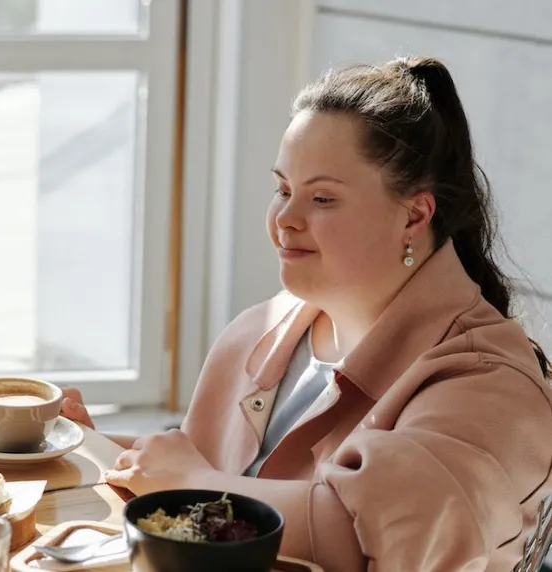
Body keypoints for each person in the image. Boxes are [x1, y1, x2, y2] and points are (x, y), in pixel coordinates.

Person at [62, 57, 552, 571]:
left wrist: (192, 484)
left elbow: (367, 537)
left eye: (321, 198)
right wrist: (91, 446)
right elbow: (207, 471)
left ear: (414, 215)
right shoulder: (260, 331)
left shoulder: (488, 383)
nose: (285, 220)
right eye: (282, 190)